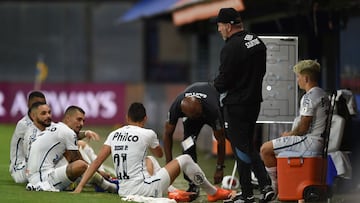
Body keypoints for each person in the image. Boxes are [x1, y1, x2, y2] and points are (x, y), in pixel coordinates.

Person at [73, 102, 232, 202]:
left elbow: (96, 162)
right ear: (145, 118)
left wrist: (79, 186)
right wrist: (151, 143)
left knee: (149, 160)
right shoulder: (147, 133)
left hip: (124, 190)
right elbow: (160, 154)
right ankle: (213, 192)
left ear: (127, 117)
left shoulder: (114, 134)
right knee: (185, 159)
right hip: (144, 190)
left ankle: (173, 192)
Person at [213, 7, 274, 203]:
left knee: (243, 148)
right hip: (254, 101)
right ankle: (253, 190)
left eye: (220, 26)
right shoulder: (256, 41)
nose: (219, 30)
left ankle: (259, 188)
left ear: (229, 26)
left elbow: (224, 81)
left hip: (236, 104)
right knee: (246, 145)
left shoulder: (231, 47)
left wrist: (215, 85)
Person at [260, 60, 329, 195]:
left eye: (298, 77)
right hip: (316, 141)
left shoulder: (309, 96)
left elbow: (303, 127)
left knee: (265, 149)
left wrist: (289, 135)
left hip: (310, 141)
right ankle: (284, 185)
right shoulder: (322, 93)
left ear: (306, 78)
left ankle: (275, 187)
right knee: (275, 148)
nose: (297, 80)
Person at [26, 105, 117, 192]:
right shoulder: (68, 133)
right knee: (80, 165)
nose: (81, 123)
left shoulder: (56, 127)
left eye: (83, 121)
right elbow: (80, 162)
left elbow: (72, 137)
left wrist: (85, 134)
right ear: (68, 118)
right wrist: (100, 173)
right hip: (43, 179)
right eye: (79, 119)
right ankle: (109, 186)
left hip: (31, 176)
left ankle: (89, 181)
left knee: (73, 151)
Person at [163, 82, 226, 200]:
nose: (198, 117)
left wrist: (219, 168)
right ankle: (193, 184)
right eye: (194, 116)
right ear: (184, 113)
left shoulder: (212, 108)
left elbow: (221, 140)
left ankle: (252, 174)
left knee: (229, 136)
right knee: (187, 146)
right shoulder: (176, 106)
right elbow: (167, 134)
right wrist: (169, 162)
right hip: (192, 117)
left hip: (209, 112)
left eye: (198, 114)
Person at [9, 91, 46, 183]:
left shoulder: (42, 122)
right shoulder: (24, 125)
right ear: (29, 104)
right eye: (36, 104)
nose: (40, 107)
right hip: (19, 170)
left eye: (43, 104)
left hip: (32, 165)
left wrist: (84, 134)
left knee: (79, 145)